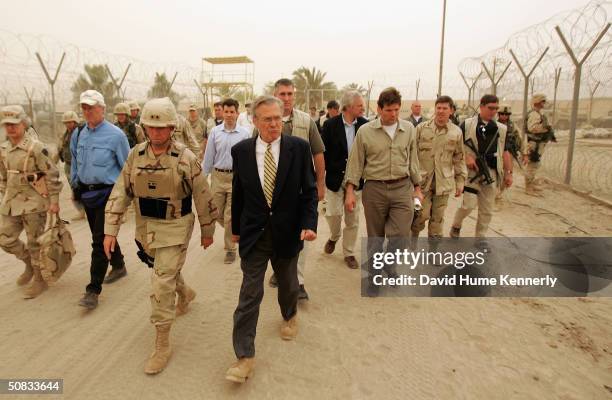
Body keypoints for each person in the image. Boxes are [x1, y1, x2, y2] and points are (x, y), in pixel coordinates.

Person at [103, 97, 217, 375]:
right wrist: (110, 230)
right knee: (162, 270)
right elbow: (121, 192)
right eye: (151, 128)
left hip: (176, 226)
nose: (156, 133)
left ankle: (162, 343)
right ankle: (186, 293)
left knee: (160, 282)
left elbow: (203, 194)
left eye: (162, 128)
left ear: (172, 128)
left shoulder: (185, 159)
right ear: (143, 127)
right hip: (147, 228)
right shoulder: (135, 156)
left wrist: (207, 229)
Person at [226, 95, 318, 383]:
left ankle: (289, 314)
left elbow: (309, 191)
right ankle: (244, 357)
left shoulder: (298, 149)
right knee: (249, 294)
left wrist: (308, 223)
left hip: (288, 232)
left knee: (289, 283)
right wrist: (236, 229)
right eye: (267, 119)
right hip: (254, 233)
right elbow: (239, 191)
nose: (274, 124)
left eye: (278, 118)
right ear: (254, 121)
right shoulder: (241, 151)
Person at [344, 87, 422, 296]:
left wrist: (417, 188)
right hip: (375, 189)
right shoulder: (365, 131)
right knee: (375, 238)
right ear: (379, 109)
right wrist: (350, 191)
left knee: (401, 236)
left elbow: (413, 160)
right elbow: (356, 164)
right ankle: (374, 278)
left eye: (396, 110)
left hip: (402, 188)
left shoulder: (408, 130)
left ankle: (388, 264)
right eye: (388, 110)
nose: (393, 114)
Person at [257, 78, 325, 301]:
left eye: (289, 94)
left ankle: (299, 282)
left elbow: (318, 153)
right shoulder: (262, 123)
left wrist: (320, 185)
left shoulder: (307, 121)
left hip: (299, 192)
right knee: (275, 234)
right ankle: (281, 271)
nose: (286, 98)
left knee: (302, 233)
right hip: (271, 193)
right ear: (274, 95)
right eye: (282, 94)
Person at [71, 90, 130, 310]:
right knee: (103, 235)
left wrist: (126, 199)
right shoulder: (79, 134)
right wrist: (75, 186)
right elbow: (76, 160)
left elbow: (127, 168)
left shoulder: (116, 136)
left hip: (108, 194)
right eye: (84, 108)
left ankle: (92, 290)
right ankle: (119, 264)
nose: (87, 112)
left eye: (91, 107)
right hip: (88, 194)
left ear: (102, 109)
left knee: (98, 240)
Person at [0, 105, 62, 298]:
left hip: (34, 203)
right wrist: (3, 195)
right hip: (11, 203)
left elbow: (52, 174)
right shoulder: (3, 149)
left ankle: (39, 278)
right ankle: (29, 263)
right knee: (4, 238)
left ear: (24, 123)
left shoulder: (35, 147)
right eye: (7, 125)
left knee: (35, 242)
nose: (10, 128)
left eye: (14, 124)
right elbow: (2, 176)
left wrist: (54, 201)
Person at [449, 94, 513, 246]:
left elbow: (505, 151)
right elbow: (456, 147)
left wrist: (509, 173)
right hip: (472, 172)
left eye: (496, 109)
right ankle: (456, 225)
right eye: (491, 108)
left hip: (491, 171)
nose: (494, 111)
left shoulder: (501, 129)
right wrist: (467, 158)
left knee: (487, 208)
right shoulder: (467, 124)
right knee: (468, 205)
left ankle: (480, 237)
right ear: (482, 106)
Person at [321, 91, 368, 269]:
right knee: (333, 214)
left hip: (356, 180)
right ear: (348, 107)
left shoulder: (365, 125)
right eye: (359, 106)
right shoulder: (330, 125)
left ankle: (348, 252)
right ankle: (334, 236)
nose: (363, 108)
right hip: (334, 178)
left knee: (352, 219)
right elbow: (323, 152)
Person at [410, 96, 467, 242]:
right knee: (419, 216)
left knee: (438, 219)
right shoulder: (422, 129)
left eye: (445, 108)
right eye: (438, 108)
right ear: (435, 109)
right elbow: (411, 155)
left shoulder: (456, 132)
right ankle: (411, 246)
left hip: (443, 184)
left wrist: (460, 181)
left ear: (451, 111)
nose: (441, 111)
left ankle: (434, 251)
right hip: (422, 183)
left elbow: (459, 158)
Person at [202, 98, 250, 263]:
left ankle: (230, 249)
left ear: (237, 113)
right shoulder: (215, 132)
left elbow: (248, 158)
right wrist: (202, 177)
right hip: (217, 177)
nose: (229, 115)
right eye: (226, 111)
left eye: (232, 112)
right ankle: (234, 228)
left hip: (236, 178)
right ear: (222, 112)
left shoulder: (245, 134)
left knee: (230, 216)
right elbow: (209, 157)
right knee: (215, 212)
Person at [496, 104, 528, 204]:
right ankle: (495, 192)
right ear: (499, 114)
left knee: (508, 173)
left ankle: (499, 192)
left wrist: (525, 153)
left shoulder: (513, 126)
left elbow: (521, 140)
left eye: (506, 114)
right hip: (497, 153)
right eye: (502, 114)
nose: (504, 116)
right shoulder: (494, 124)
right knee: (496, 173)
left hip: (509, 153)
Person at [525, 94, 555, 196]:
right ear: (537, 102)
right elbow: (532, 128)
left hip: (538, 143)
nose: (543, 103)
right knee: (532, 165)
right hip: (534, 143)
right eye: (542, 101)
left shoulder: (538, 113)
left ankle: (531, 184)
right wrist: (546, 128)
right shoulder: (534, 114)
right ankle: (528, 187)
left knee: (535, 165)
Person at [59, 111, 86, 221]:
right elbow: (61, 147)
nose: (68, 125)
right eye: (66, 123)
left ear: (75, 122)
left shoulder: (81, 133)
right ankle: (81, 211)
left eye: (70, 122)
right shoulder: (65, 134)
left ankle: (86, 210)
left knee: (81, 188)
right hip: (68, 165)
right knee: (74, 189)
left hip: (79, 165)